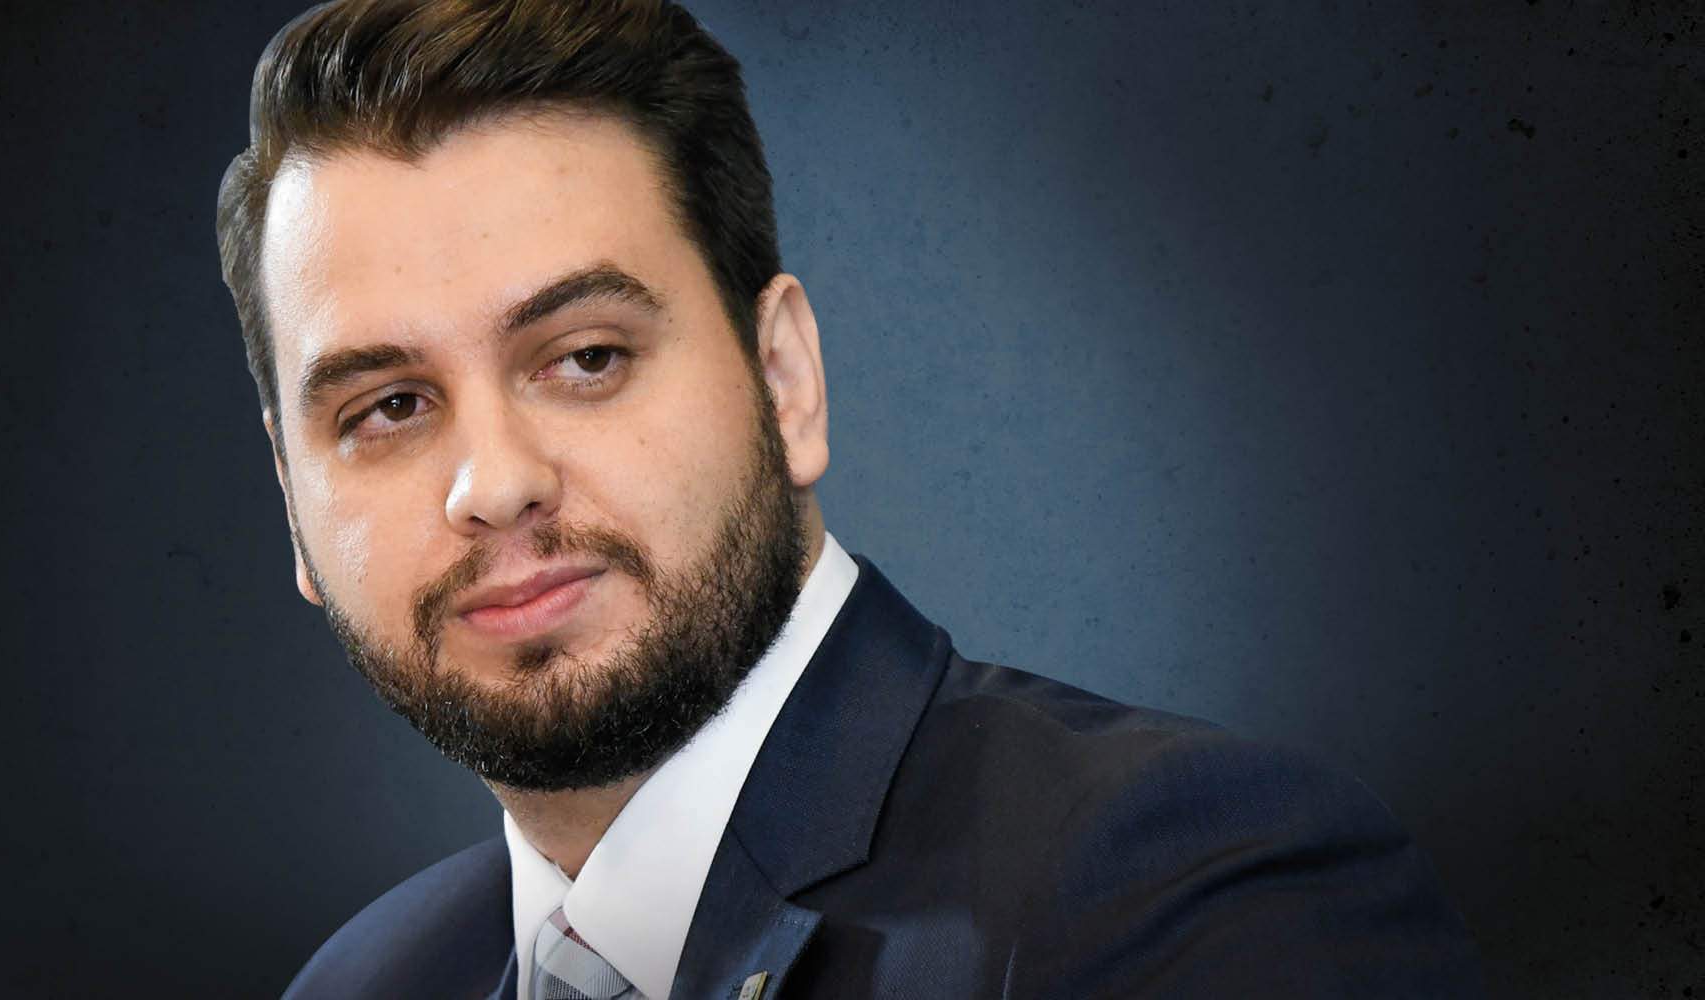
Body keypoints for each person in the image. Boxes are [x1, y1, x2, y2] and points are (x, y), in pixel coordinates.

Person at [214, 1, 1485, 996]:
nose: (495, 484)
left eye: (587, 357)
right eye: (388, 406)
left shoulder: (1187, 900)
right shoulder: (360, 983)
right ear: (292, 505)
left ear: (785, 380)